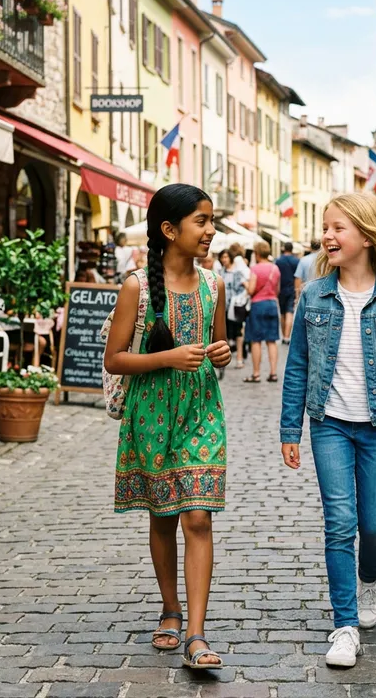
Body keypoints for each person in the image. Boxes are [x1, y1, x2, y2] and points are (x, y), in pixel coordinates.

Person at [280, 192, 376, 668]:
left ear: (366, 237)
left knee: (375, 526)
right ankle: (344, 625)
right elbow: (297, 366)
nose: (327, 235)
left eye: (338, 228)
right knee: (340, 524)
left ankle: (369, 581)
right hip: (328, 424)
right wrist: (291, 427)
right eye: (325, 227)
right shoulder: (313, 294)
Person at [104, 184, 231, 670]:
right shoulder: (136, 285)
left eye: (211, 221)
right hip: (152, 412)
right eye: (202, 221)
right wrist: (168, 357)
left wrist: (220, 352)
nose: (210, 231)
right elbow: (115, 360)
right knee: (163, 514)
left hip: (201, 409)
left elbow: (219, 348)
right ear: (169, 229)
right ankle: (171, 609)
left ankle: (197, 633)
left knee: (197, 516)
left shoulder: (213, 286)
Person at [243, 241, 281, 383]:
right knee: (272, 340)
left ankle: (256, 373)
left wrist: (246, 285)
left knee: (256, 340)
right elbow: (278, 290)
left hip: (258, 305)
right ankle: (273, 373)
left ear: (257, 254)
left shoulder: (255, 269)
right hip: (271, 304)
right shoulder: (275, 268)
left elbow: (251, 290)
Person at [226, 242, 250, 368]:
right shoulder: (240, 262)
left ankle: (239, 354)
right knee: (239, 328)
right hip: (239, 300)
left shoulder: (237, 262)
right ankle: (241, 354)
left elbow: (244, 278)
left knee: (237, 329)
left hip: (236, 301)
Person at [275, 242, 300, 343]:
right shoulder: (296, 261)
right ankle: (286, 336)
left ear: (284, 248)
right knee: (289, 312)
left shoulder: (278, 260)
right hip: (292, 289)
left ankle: (283, 335)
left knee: (282, 313)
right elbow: (297, 277)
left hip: (281, 289)